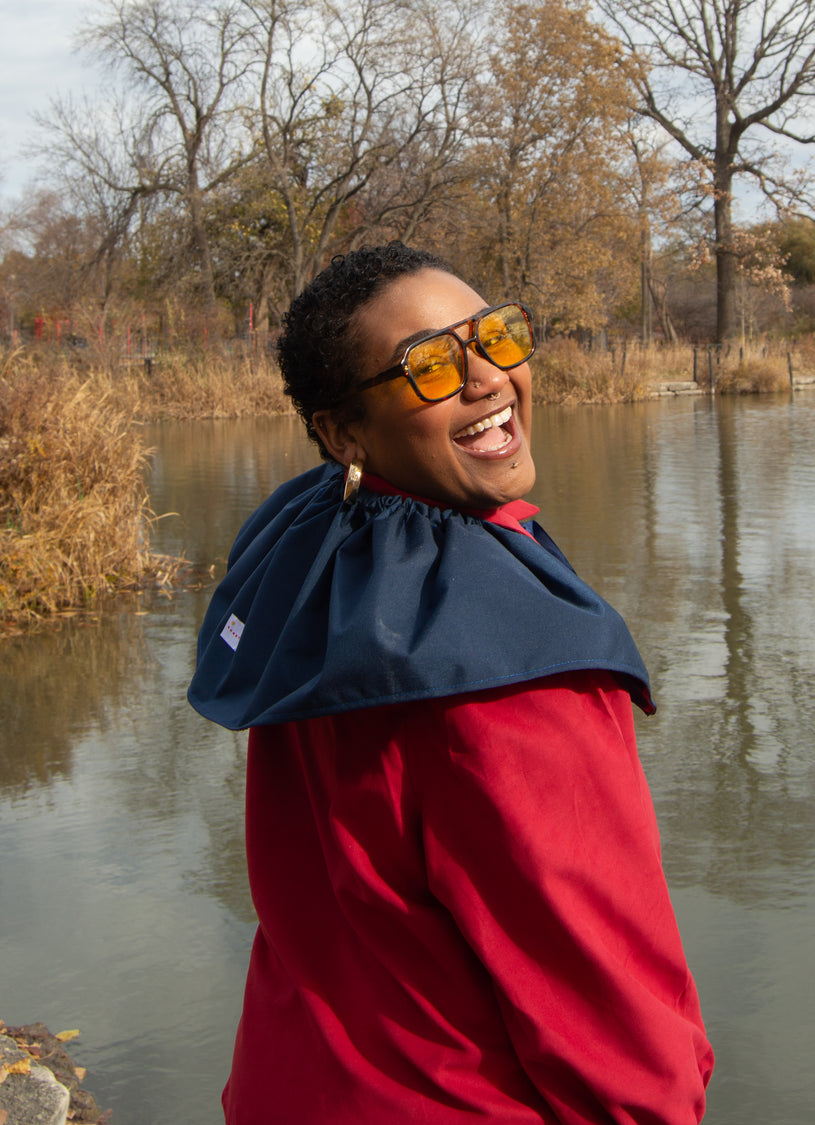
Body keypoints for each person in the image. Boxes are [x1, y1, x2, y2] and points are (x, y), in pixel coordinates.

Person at [189, 242, 714, 1124]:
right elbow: (607, 1012)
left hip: (295, 1084)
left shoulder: (312, 558)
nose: (488, 378)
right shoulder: (505, 662)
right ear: (342, 431)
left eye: (495, 336)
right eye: (429, 365)